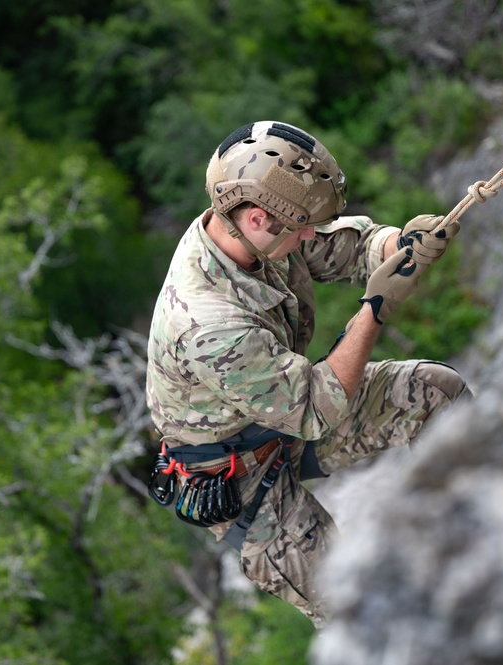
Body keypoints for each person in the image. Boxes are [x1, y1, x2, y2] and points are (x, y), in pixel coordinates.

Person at [144, 120, 471, 628]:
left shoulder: (253, 231)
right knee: (358, 613)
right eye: (299, 227)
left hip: (283, 420)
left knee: (435, 393)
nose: (306, 237)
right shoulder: (207, 323)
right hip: (242, 478)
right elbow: (316, 408)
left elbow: (339, 247)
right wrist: (376, 307)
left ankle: (477, 550)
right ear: (255, 217)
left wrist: (399, 246)